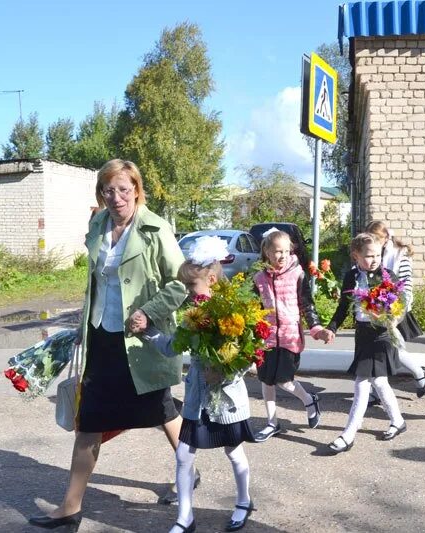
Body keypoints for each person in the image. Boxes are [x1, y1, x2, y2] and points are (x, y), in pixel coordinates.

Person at [28, 159, 189, 531]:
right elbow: (96, 281)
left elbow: (182, 282)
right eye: (107, 190)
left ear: (136, 188)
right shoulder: (98, 224)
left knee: (162, 411)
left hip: (140, 340)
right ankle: (70, 507)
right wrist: (85, 322)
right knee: (91, 420)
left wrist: (149, 313)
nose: (115, 197)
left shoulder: (155, 229)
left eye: (122, 188)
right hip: (102, 335)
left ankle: (187, 473)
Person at [147, 238, 256, 533]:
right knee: (184, 454)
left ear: (210, 279)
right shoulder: (192, 315)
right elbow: (172, 347)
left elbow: (247, 355)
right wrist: (148, 331)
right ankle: (185, 518)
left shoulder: (231, 311)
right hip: (197, 399)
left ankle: (244, 501)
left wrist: (223, 375)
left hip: (226, 398)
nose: (187, 294)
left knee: (233, 451)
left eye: (190, 286)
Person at [325, 233, 406, 453]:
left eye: (377, 255)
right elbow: (344, 305)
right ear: (356, 256)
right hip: (362, 334)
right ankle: (398, 420)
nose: (374, 260)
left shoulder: (388, 276)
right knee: (379, 381)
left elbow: (402, 305)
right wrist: (332, 327)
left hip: (382, 335)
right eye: (368, 256)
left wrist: (392, 317)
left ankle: (349, 433)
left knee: (362, 382)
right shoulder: (351, 277)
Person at [252, 229, 331, 442]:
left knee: (284, 381)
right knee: (266, 380)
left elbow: (307, 305)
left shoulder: (297, 274)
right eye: (277, 251)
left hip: (289, 336)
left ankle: (309, 400)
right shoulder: (258, 278)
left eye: (286, 251)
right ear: (267, 251)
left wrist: (317, 329)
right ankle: (272, 423)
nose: (282, 256)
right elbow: (252, 308)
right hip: (266, 337)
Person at [365, 221, 425, 403]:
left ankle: (418, 372)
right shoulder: (373, 254)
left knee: (392, 348)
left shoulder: (401, 255)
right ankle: (376, 391)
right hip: (376, 309)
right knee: (378, 350)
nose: (374, 243)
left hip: (395, 309)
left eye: (377, 239)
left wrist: (397, 309)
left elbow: (406, 285)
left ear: (386, 238)